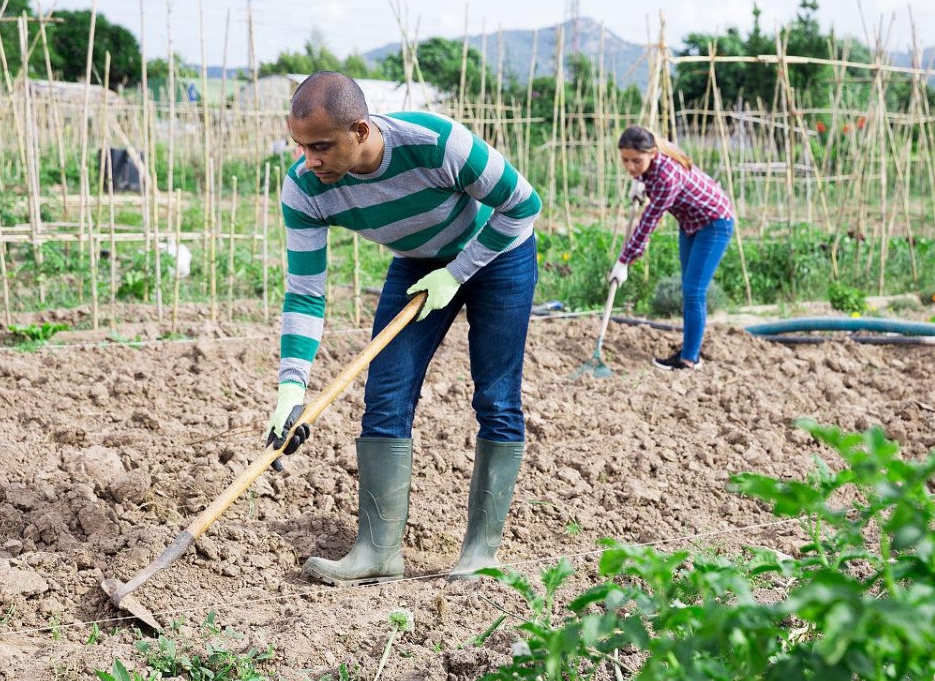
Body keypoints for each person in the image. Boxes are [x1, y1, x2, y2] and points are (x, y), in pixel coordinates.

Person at [264, 72, 542, 585]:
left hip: (500, 255)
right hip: (418, 262)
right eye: (301, 146)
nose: (310, 160)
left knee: (496, 397)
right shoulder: (305, 189)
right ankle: (377, 551)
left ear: (362, 131)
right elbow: (305, 290)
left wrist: (457, 273)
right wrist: (290, 387)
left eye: (322, 146)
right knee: (385, 392)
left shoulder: (437, 144)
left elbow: (524, 205)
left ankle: (481, 552)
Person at [607, 125, 735, 371]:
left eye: (636, 161)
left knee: (694, 290)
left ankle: (689, 359)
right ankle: (690, 349)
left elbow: (648, 223)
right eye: (625, 160)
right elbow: (645, 177)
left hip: (715, 223)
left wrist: (623, 261)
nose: (630, 167)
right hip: (690, 222)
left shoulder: (667, 177)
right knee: (690, 288)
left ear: (653, 153)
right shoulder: (653, 165)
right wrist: (641, 181)